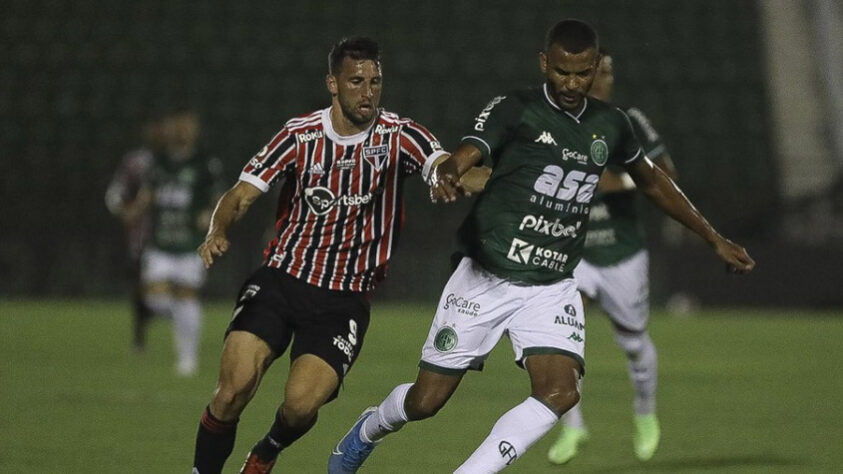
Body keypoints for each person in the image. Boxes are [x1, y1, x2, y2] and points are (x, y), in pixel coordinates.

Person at [328, 19, 754, 474]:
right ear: (544, 63)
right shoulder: (516, 108)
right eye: (562, 72)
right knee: (426, 400)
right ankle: (371, 427)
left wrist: (713, 237)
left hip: (550, 284)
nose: (572, 84)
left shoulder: (612, 125)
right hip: (487, 275)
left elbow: (654, 182)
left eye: (583, 73)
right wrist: (451, 171)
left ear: (595, 69)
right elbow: (471, 150)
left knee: (560, 392)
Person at [191, 37, 448, 474]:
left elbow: (440, 162)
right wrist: (219, 229)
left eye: (375, 81)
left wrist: (456, 176)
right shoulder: (299, 135)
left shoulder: (398, 135)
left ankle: (268, 448)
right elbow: (241, 194)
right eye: (356, 81)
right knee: (232, 391)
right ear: (332, 83)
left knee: (299, 407)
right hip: (281, 279)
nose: (368, 92)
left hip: (342, 299)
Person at [546, 49, 677, 464]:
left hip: (621, 252)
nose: (603, 81)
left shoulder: (628, 121)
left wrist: (616, 181)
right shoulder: (552, 124)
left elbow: (667, 174)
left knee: (634, 344)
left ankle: (645, 415)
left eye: (608, 73)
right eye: (595, 73)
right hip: (573, 252)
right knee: (553, 336)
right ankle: (574, 426)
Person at [134, 107, 224, 376]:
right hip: (160, 243)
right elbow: (147, 195)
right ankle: (185, 320)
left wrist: (211, 217)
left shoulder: (205, 163)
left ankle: (187, 359)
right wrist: (134, 209)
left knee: (186, 294)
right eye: (179, 124)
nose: (183, 129)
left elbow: (220, 199)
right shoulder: (158, 162)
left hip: (191, 244)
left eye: (188, 124)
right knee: (154, 297)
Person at [105, 115, 162, 351]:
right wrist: (125, 211)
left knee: (170, 290)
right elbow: (114, 194)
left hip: (176, 235)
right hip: (143, 237)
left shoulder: (184, 161)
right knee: (141, 286)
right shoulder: (135, 162)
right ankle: (140, 337)